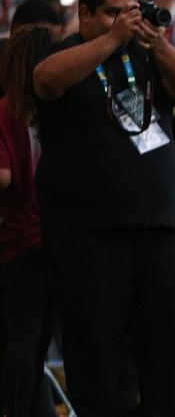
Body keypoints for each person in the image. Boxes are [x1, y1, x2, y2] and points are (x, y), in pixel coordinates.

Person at [31, 0, 175, 415]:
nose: (123, 22)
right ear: (85, 13)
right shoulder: (69, 52)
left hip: (162, 227)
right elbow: (45, 81)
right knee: (99, 360)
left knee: (169, 349)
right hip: (89, 233)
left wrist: (157, 43)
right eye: (111, 13)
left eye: (129, 11)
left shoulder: (147, 53)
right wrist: (110, 40)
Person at [0, 25, 56, 417]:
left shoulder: (6, 110)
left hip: (18, 242)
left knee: (20, 340)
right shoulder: (62, 105)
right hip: (60, 239)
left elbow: (4, 175)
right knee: (35, 345)